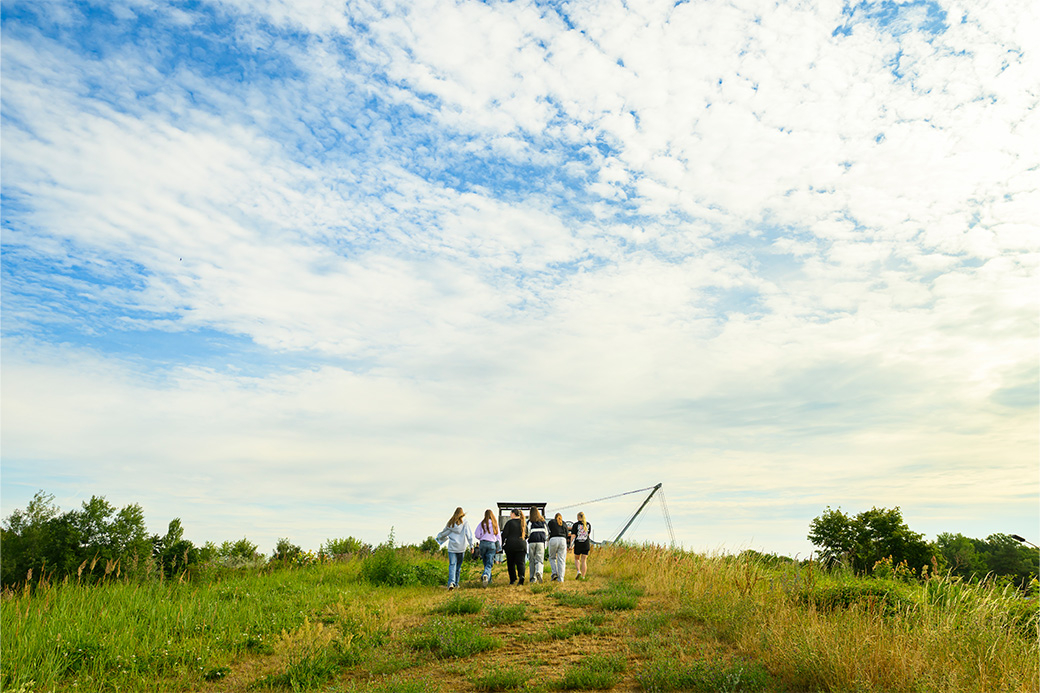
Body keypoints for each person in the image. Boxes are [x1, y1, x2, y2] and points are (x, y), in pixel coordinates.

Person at [436, 506, 474, 590]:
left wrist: (439, 538)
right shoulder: (465, 522)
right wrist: (471, 545)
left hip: (452, 548)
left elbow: (444, 533)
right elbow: (469, 534)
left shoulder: (450, 523)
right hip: (461, 548)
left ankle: (451, 583)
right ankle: (456, 583)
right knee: (458, 566)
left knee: (452, 565)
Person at [473, 509, 501, 586]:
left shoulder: (482, 523)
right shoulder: (495, 523)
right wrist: (499, 546)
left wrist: (482, 537)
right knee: (489, 563)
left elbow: (476, 534)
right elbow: (498, 536)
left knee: (485, 562)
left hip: (482, 544)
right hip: (492, 544)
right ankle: (485, 575)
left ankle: (489, 580)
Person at [501, 509, 528, 585]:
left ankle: (513, 579)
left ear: (513, 514)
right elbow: (526, 535)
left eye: (510, 513)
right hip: (521, 545)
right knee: (521, 563)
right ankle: (521, 576)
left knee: (511, 563)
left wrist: (501, 545)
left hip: (511, 545)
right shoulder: (523, 523)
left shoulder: (509, 523)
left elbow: (504, 535)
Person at [527, 507, 548, 584]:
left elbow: (527, 532)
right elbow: (547, 533)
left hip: (532, 542)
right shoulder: (543, 522)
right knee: (539, 560)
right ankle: (539, 572)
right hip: (540, 542)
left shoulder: (530, 522)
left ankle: (533, 578)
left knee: (531, 560)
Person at [547, 512, 569, 582]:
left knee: (552, 557)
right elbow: (567, 534)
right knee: (561, 560)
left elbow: (548, 530)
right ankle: (561, 579)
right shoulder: (564, 523)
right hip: (562, 540)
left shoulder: (551, 522)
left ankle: (554, 573)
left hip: (553, 539)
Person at [570, 511, 592, 580]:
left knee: (577, 559)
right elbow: (588, 535)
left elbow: (573, 536)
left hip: (578, 544)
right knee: (584, 561)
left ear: (579, 517)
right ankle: (583, 576)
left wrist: (570, 545)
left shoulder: (575, 525)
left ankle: (578, 571)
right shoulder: (588, 524)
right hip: (586, 544)